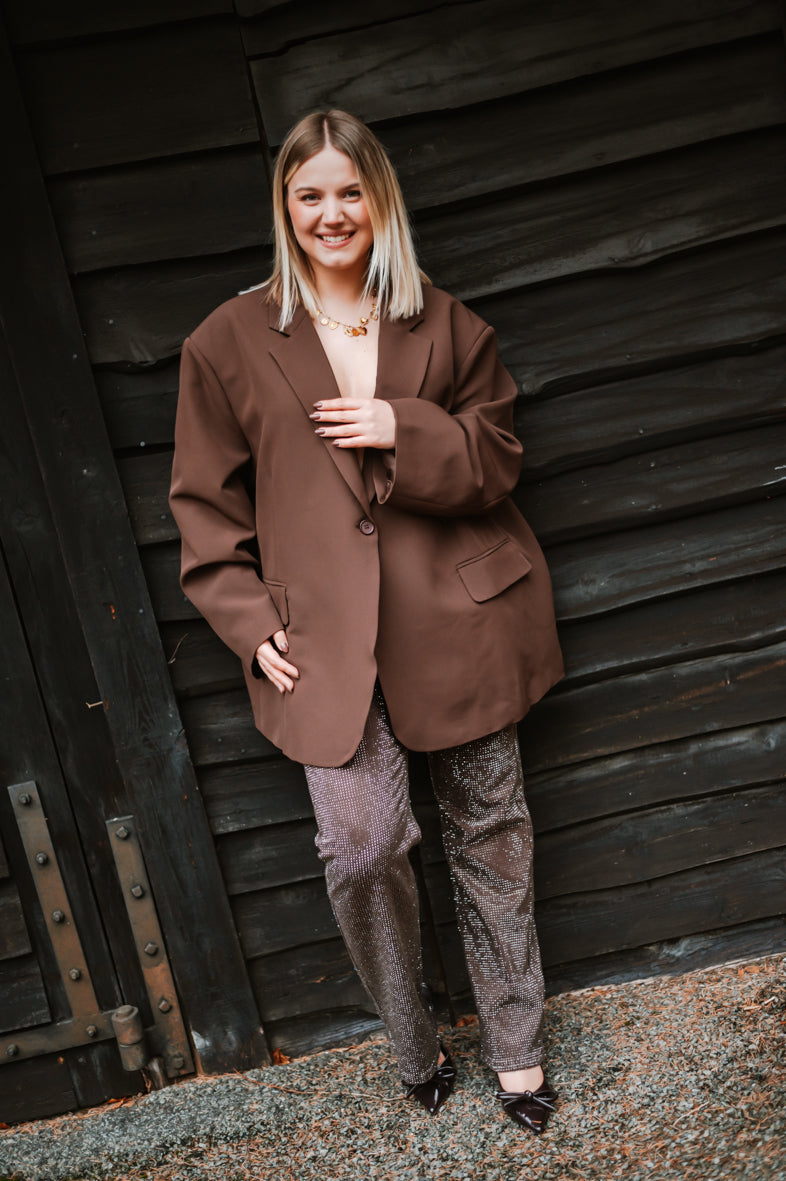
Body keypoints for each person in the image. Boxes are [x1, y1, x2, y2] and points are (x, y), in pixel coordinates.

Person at [169, 110, 564, 1134]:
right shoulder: (227, 340)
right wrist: (245, 616)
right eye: (310, 194)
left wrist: (402, 427)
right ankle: (414, 1041)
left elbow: (498, 457)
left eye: (351, 191)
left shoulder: (446, 323)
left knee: (490, 834)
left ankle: (517, 1047)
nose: (331, 212)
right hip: (320, 641)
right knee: (359, 847)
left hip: (461, 617)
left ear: (380, 200)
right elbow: (202, 502)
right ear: (285, 207)